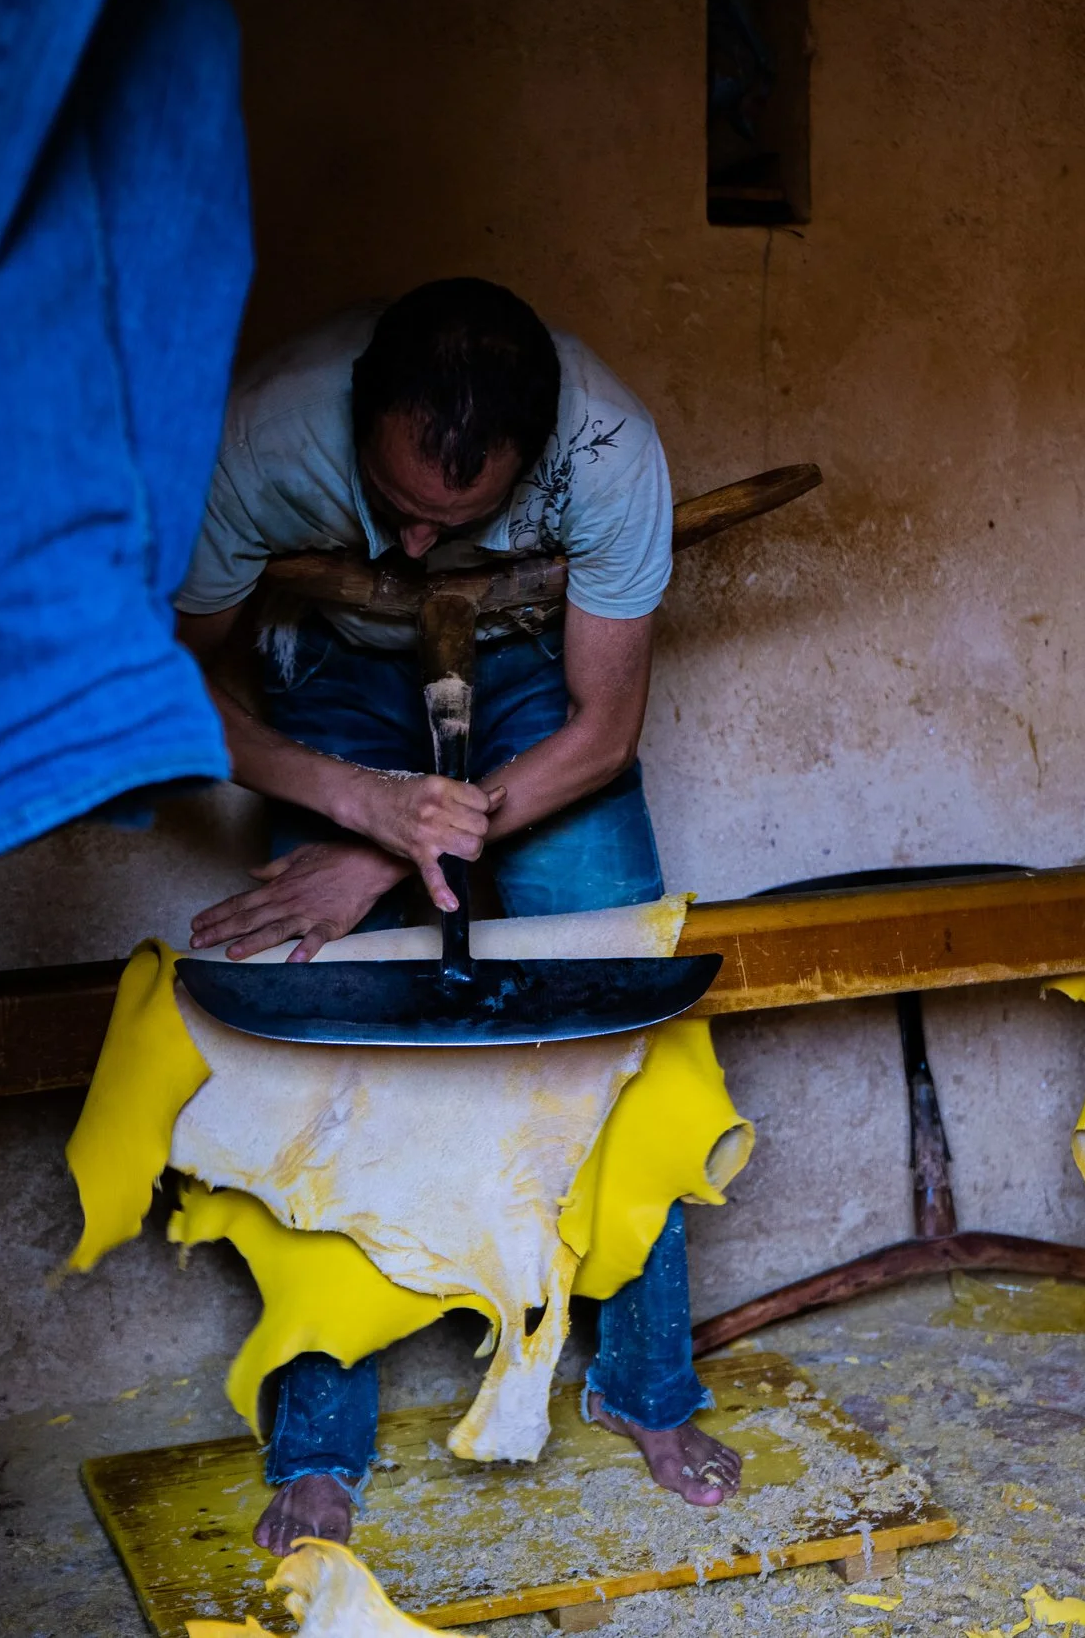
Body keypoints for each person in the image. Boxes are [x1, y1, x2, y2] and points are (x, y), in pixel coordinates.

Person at [171, 278, 741, 1550]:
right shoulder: (260, 438)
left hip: (539, 668)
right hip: (325, 668)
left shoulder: (607, 455)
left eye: (462, 517)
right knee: (317, 1015)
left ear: (530, 462)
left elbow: (601, 729)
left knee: (614, 981)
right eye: (394, 511)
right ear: (357, 421)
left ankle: (649, 1386)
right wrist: (355, 804)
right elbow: (178, 678)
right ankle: (319, 1442)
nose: (420, 546)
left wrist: (387, 849)